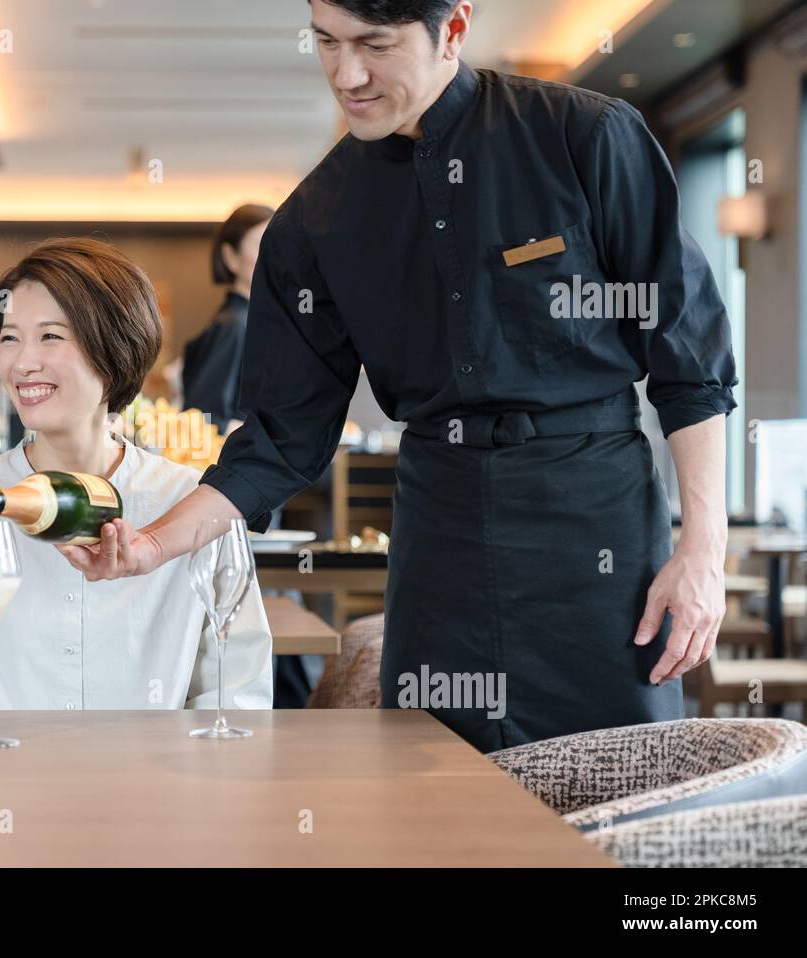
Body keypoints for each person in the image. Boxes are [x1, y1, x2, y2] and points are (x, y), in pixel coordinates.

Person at [58, 0, 737, 754]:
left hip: (594, 527)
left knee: (620, 779)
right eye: (326, 42)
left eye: (375, 45)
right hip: (438, 536)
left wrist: (703, 549)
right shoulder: (311, 223)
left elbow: (691, 363)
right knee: (433, 785)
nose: (346, 74)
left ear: (452, 29)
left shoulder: (584, 137)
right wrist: (153, 545)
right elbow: (280, 440)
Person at [0, 238, 272, 710]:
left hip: (159, 781)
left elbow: (237, 693)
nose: (23, 363)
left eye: (51, 336)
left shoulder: (195, 506)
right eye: (10, 337)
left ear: (115, 351)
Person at [181, 204, 274, 431]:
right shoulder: (234, 325)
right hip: (237, 463)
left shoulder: (250, 323)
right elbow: (203, 420)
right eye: (262, 244)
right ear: (231, 256)